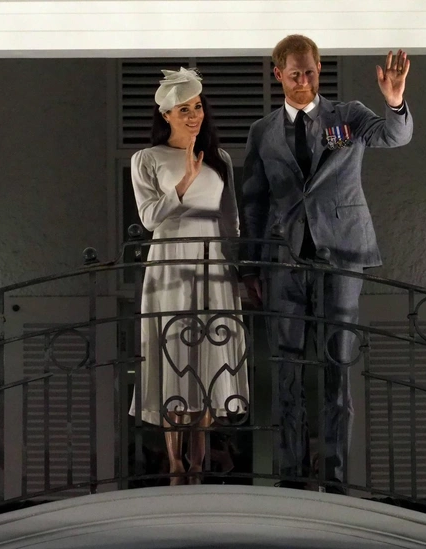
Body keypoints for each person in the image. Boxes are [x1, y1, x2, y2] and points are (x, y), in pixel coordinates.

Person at [241, 35, 413, 492]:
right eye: (294, 74)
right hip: (284, 260)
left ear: (319, 69)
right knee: (287, 368)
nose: (303, 81)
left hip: (342, 255)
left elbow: (394, 136)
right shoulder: (262, 132)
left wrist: (395, 102)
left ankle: (334, 479)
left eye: (310, 72)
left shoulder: (348, 115)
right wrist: (249, 267)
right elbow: (254, 202)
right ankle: (292, 477)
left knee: (338, 364)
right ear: (278, 74)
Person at [129, 67, 249, 485]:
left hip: (212, 261)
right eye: (184, 109)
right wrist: (182, 184)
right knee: (174, 350)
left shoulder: (221, 158)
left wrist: (238, 269)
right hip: (170, 261)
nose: (194, 115)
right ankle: (174, 462)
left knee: (209, 352)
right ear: (166, 115)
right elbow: (149, 218)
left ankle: (199, 461)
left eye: (197, 107)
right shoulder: (146, 159)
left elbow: (230, 219)